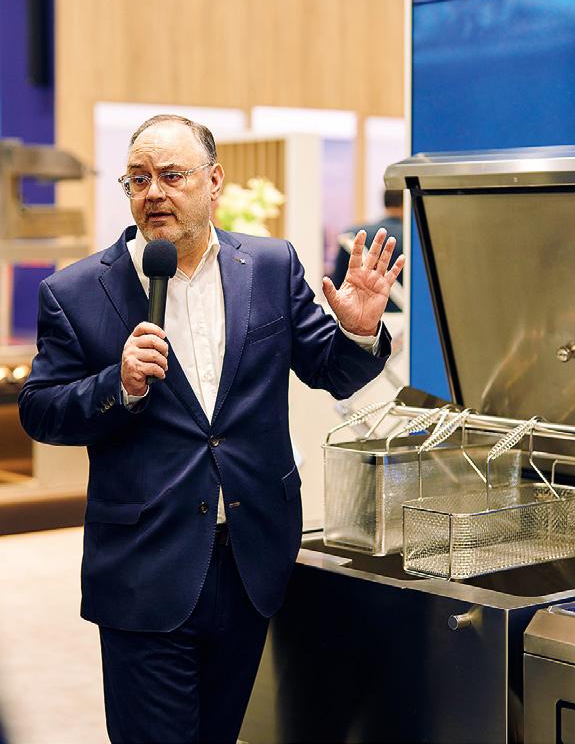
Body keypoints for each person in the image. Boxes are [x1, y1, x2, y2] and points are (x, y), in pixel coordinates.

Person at [18, 114, 404, 744]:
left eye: (172, 175)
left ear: (214, 180)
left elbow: (330, 371)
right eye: (138, 178)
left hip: (249, 559)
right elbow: (40, 409)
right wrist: (117, 384)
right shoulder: (77, 291)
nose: (153, 192)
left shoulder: (271, 266)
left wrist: (359, 330)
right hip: (145, 569)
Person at [330, 189, 404, 311]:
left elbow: (338, 285)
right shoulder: (415, 238)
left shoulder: (353, 235)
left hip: (358, 313)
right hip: (406, 317)